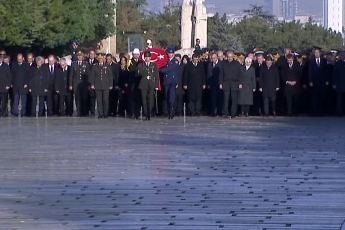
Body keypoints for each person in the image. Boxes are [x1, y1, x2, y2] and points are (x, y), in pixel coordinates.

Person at [137, 51, 159, 120]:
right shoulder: (141, 65)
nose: (147, 58)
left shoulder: (153, 65)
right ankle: (146, 113)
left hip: (151, 84)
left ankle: (149, 112)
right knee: (144, 99)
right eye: (146, 57)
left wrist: (156, 85)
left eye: (148, 57)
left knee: (151, 99)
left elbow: (156, 76)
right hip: (143, 84)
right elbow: (139, 74)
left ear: (150, 57)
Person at [220, 50, 242, 118]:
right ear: (226, 56)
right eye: (228, 57)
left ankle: (233, 113)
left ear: (233, 56)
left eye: (231, 57)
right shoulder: (223, 63)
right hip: (226, 83)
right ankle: (225, 113)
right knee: (226, 99)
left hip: (234, 83)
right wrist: (220, 83)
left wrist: (240, 83)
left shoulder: (237, 63)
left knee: (234, 99)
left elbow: (240, 74)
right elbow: (221, 74)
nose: (230, 58)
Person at [90, 54, 113, 118]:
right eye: (99, 59)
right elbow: (92, 76)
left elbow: (110, 76)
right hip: (97, 85)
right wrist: (92, 84)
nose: (100, 60)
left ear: (103, 59)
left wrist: (111, 85)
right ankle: (100, 113)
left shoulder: (107, 66)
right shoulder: (95, 66)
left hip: (106, 86)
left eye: (101, 59)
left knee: (105, 100)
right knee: (99, 100)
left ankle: (105, 113)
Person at [69, 51, 90, 116]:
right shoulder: (74, 64)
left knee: (84, 98)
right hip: (76, 84)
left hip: (84, 84)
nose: (79, 57)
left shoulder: (86, 64)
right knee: (77, 98)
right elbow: (71, 75)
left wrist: (89, 84)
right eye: (78, 56)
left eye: (81, 56)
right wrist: (70, 84)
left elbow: (88, 74)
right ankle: (79, 112)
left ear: (83, 57)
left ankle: (85, 112)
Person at [160, 47, 179, 119]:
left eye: (171, 53)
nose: (170, 54)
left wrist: (161, 70)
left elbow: (170, 68)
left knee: (171, 98)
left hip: (172, 82)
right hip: (166, 81)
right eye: (169, 53)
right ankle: (168, 112)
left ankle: (171, 112)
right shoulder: (166, 61)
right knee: (167, 97)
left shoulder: (175, 61)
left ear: (173, 54)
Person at [308, 46, 327, 116]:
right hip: (314, 82)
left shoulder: (324, 61)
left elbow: (326, 71)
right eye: (315, 53)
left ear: (320, 53)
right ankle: (314, 112)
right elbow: (310, 72)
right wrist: (310, 81)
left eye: (317, 53)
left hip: (322, 82)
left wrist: (326, 80)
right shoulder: (311, 61)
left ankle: (321, 111)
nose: (316, 54)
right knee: (314, 98)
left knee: (322, 97)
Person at [207, 52, 222, 116]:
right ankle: (214, 111)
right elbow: (208, 74)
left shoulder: (221, 64)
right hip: (212, 84)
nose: (213, 59)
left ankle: (219, 111)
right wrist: (208, 83)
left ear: (217, 57)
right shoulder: (209, 64)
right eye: (212, 58)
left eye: (214, 58)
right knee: (213, 98)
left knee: (220, 98)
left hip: (219, 83)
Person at [128, 48, 141, 119]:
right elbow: (128, 71)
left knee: (138, 99)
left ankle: (138, 113)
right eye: (135, 54)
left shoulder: (140, 62)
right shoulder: (130, 61)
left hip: (139, 83)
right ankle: (132, 112)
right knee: (132, 99)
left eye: (137, 54)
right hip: (132, 83)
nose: (136, 55)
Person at [332, 50, 345, 116]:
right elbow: (335, 74)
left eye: (343, 55)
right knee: (339, 100)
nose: (342, 56)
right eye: (341, 55)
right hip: (339, 84)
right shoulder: (337, 64)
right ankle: (339, 112)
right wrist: (334, 83)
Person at [87, 50, 98, 116]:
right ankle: (87, 110)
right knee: (86, 97)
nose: (91, 55)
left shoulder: (97, 62)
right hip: (87, 82)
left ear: (95, 55)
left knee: (93, 97)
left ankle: (92, 111)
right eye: (90, 54)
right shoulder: (85, 61)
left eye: (93, 54)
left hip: (94, 82)